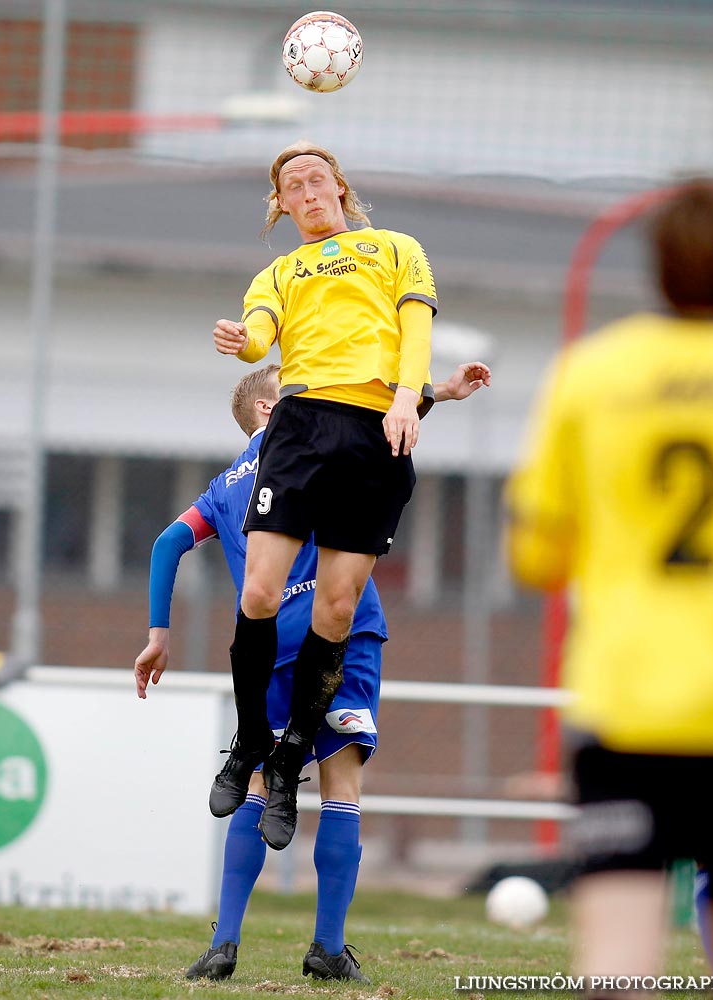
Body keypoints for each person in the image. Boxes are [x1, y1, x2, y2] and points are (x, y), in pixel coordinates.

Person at [135, 360, 489, 984]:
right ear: (272, 412)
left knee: (254, 785)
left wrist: (158, 635)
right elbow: (378, 433)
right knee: (341, 786)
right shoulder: (312, 449)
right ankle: (326, 947)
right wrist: (440, 393)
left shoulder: (223, 486)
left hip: (266, 646)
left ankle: (224, 944)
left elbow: (167, 544)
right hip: (339, 637)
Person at [504, 181, 713, 993]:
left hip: (627, 707)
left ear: (658, 265)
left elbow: (537, 558)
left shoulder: (593, 372)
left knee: (617, 970)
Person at [211, 141, 439, 851]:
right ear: (281, 205)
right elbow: (259, 339)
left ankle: (288, 759)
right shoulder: (279, 272)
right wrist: (242, 340)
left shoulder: (396, 248)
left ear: (339, 187)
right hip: (303, 426)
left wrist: (408, 398)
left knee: (337, 608)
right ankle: (251, 739)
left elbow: (415, 326)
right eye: (291, 186)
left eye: (316, 179)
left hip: (375, 430)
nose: (306, 191)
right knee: (260, 593)